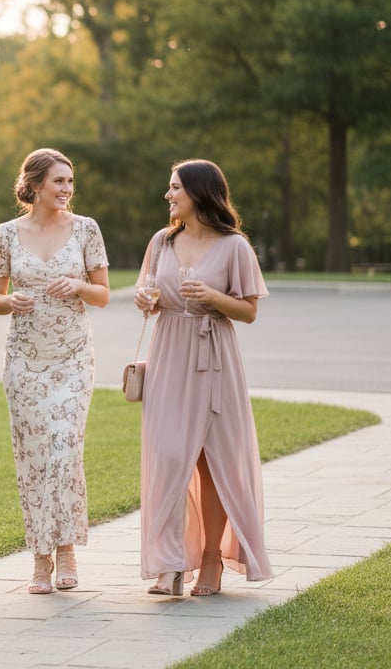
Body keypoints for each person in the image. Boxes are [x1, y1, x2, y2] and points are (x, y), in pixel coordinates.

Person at [133, 159, 273, 597]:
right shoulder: (161, 241)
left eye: (175, 188)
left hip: (215, 358)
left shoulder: (234, 247)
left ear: (199, 192)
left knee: (212, 463)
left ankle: (211, 559)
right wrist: (145, 299)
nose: (168, 195)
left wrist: (213, 297)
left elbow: (249, 311)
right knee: (169, 457)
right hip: (169, 353)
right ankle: (170, 563)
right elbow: (149, 294)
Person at [0, 148, 110, 595]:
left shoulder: (86, 229)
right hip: (24, 361)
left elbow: (102, 295)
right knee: (33, 456)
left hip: (73, 358)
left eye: (70, 182)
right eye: (59, 181)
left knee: (64, 450)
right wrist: (11, 301)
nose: (67, 190)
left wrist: (78, 285)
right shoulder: (6, 234)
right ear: (34, 184)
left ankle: (67, 549)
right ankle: (39, 555)